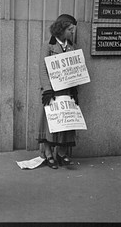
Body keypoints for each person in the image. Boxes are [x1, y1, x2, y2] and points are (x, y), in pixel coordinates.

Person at [37, 14, 79, 169]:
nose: (72, 32)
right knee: (50, 124)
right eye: (70, 29)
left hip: (66, 91)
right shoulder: (47, 46)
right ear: (61, 29)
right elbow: (42, 69)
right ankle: (48, 154)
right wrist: (47, 90)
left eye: (73, 30)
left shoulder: (72, 47)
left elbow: (75, 71)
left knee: (65, 124)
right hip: (52, 93)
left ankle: (61, 153)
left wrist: (74, 91)